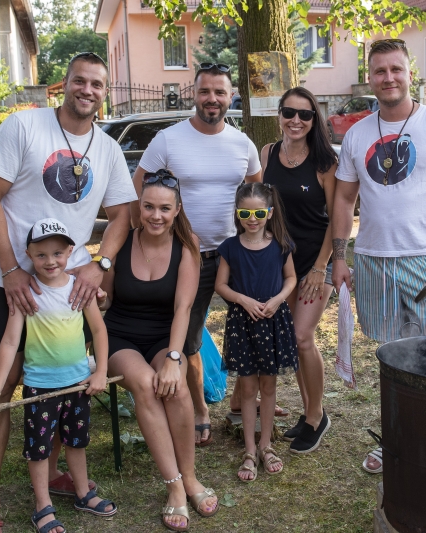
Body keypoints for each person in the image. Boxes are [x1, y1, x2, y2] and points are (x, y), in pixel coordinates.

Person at [0, 52, 135, 533]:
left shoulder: (107, 149)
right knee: (2, 385)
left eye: (97, 84)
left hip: (68, 289)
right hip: (11, 283)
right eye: (79, 81)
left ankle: (53, 477)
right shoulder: (24, 127)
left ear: (105, 93)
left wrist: (99, 265)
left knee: (62, 384)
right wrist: (10, 269)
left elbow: (122, 215)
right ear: (62, 84)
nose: (87, 90)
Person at [330, 39, 426, 474]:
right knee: (392, 355)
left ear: (410, 73)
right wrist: (339, 257)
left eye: (396, 69)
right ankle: (395, 437)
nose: (389, 78)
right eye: (380, 71)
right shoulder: (357, 134)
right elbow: (344, 200)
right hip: (373, 260)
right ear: (370, 78)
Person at [132, 63, 262, 446]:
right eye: (205, 91)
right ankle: (200, 409)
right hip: (189, 258)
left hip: (237, 256)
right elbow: (138, 190)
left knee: (253, 330)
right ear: (194, 94)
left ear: (231, 96)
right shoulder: (168, 140)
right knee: (188, 339)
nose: (212, 99)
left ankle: (240, 402)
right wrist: (150, 239)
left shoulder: (243, 144)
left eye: (220, 92)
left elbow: (257, 193)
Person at [0, 219, 117, 533]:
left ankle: (83, 493)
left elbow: (99, 330)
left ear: (70, 252)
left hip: (79, 384)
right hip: (40, 388)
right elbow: (10, 341)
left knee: (77, 442)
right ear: (28, 255)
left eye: (57, 253)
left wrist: (101, 372)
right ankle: (42, 505)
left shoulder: (80, 289)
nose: (50, 261)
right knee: (39, 448)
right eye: (41, 255)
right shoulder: (26, 293)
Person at [98, 170, 219, 531]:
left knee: (176, 387)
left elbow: (184, 308)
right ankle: (174, 486)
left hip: (164, 335)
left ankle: (190, 476)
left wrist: (174, 358)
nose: (156, 215)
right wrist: (99, 292)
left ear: (177, 209)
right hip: (119, 335)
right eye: (148, 206)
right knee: (147, 386)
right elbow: (106, 298)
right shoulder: (121, 238)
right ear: (139, 207)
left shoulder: (188, 244)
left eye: (165, 208)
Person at [259, 87, 339, 454]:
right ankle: (308, 413)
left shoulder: (326, 162)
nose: (296, 120)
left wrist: (321, 267)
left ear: (314, 119)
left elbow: (338, 220)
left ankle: (317, 416)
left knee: (302, 336)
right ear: (279, 115)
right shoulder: (267, 153)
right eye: (289, 112)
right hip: (281, 263)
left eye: (305, 114)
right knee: (291, 341)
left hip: (315, 262)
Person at [215, 183, 298, 481]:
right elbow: (221, 285)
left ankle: (266, 445)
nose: (253, 219)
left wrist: (278, 300)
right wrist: (243, 300)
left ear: (269, 213)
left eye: (259, 213)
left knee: (269, 386)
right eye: (246, 213)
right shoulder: (230, 247)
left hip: (273, 321)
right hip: (244, 323)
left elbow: (291, 279)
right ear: (237, 213)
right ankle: (249, 449)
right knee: (248, 389)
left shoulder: (281, 245)